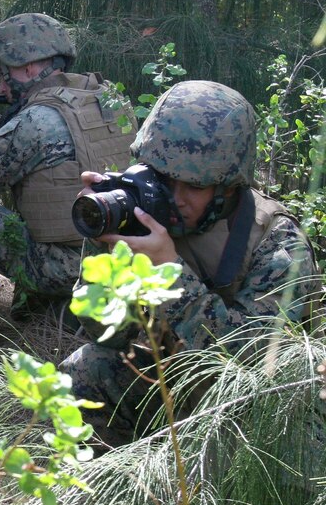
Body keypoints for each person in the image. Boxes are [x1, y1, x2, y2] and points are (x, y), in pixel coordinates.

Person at [60, 80, 321, 444]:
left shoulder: (278, 244)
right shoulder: (145, 215)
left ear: (230, 186)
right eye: (163, 178)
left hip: (256, 414)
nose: (176, 198)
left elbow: (254, 369)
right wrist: (107, 243)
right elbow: (105, 332)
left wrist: (169, 274)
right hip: (177, 382)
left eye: (194, 186)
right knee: (83, 373)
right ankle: (110, 490)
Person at [0, 12, 136, 318]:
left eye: (4, 75)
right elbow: (67, 163)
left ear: (28, 66)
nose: (2, 88)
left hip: (63, 268)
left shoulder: (35, 120)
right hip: (117, 259)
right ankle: (44, 309)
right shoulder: (108, 98)